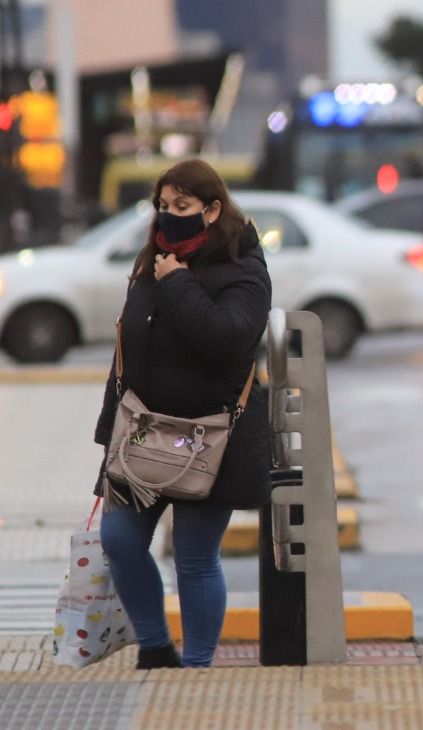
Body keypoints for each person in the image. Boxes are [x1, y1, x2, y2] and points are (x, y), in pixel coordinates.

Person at [93, 159, 273, 669]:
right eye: (162, 207)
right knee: (119, 541)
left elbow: (228, 340)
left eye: (182, 207)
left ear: (212, 210)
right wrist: (110, 432)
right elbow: (126, 351)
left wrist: (176, 285)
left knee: (194, 558)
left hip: (209, 438)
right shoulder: (152, 261)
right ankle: (154, 647)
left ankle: (196, 666)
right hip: (142, 435)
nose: (169, 217)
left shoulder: (244, 268)